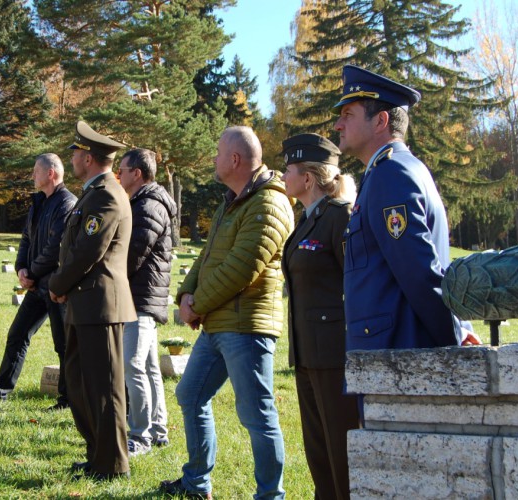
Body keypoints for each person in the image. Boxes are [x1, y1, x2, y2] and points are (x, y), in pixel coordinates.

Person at [160, 126, 293, 499]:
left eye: (219, 153)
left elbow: (240, 269)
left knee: (256, 415)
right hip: (219, 323)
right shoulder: (231, 201)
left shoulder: (270, 203)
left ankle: (270, 495)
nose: (214, 159)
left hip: (248, 328)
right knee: (190, 395)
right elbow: (208, 256)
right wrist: (186, 292)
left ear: (235, 160)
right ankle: (196, 483)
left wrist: (198, 304)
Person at [333, 64, 462, 350]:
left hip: (398, 355)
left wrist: (455, 339)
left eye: (347, 115)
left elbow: (420, 272)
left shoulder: (390, 174)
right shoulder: (391, 170)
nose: (337, 125)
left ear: (380, 121)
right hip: (390, 353)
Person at [48, 121, 135, 481]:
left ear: (87, 157)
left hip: (100, 305)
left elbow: (88, 251)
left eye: (75, 152)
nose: (72, 157)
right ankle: (97, 455)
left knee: (105, 389)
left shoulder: (107, 195)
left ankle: (113, 465)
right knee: (80, 381)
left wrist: (57, 283)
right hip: (85, 304)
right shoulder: (92, 192)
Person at [0, 154, 76, 407]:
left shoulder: (67, 203)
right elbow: (27, 238)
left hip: (56, 285)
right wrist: (21, 268)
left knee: (64, 344)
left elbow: (56, 246)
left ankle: (68, 398)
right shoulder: (38, 202)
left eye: (36, 171)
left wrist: (32, 273)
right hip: (36, 285)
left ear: (51, 173)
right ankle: (0, 390)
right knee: (17, 334)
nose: (32, 176)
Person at [280, 133, 359, 500]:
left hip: (333, 355)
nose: (282, 176)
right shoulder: (308, 220)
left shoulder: (338, 217)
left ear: (308, 179)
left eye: (288, 169)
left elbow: (356, 285)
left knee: (341, 450)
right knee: (318, 450)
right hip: (306, 355)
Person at [116, 148, 175, 457]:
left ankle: (139, 436)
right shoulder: (144, 202)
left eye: (122, 170)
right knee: (150, 366)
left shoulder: (148, 205)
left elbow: (132, 254)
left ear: (136, 173)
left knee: (133, 366)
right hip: (143, 295)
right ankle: (158, 429)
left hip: (140, 296)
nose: (119, 175)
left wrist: (109, 275)